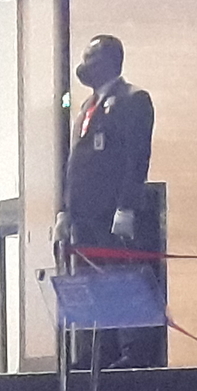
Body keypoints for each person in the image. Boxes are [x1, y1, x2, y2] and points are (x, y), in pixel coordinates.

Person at [62, 34, 164, 368]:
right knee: (93, 280)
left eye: (90, 57)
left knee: (122, 276)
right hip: (85, 214)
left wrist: (127, 206)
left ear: (109, 60)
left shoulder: (134, 99)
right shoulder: (86, 107)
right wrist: (66, 210)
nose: (84, 64)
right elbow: (76, 165)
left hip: (112, 211)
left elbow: (137, 158)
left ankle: (132, 351)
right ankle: (99, 349)